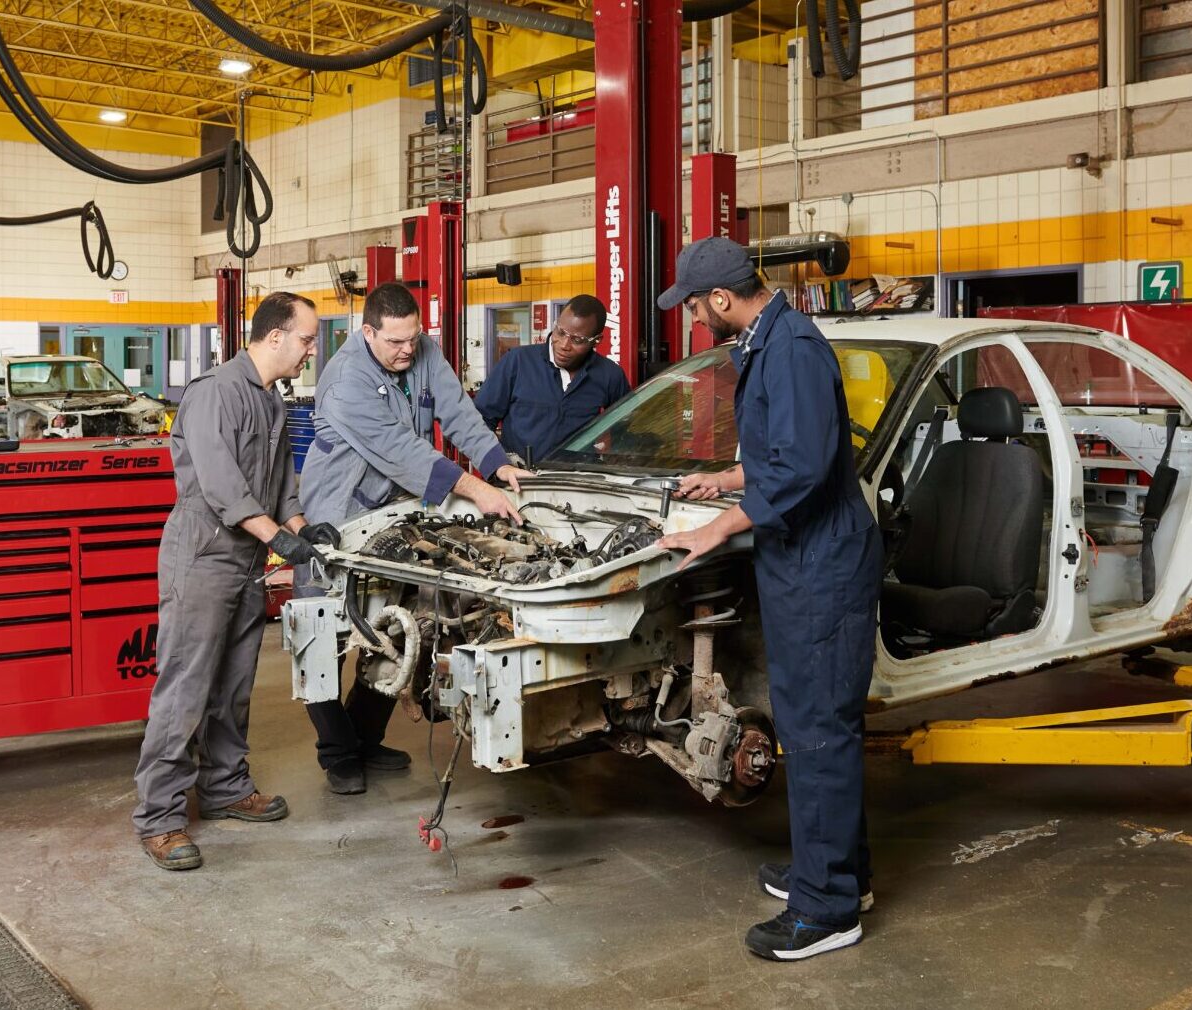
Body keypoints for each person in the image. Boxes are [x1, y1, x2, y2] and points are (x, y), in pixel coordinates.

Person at [654, 237, 882, 961]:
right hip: (799, 558)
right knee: (810, 725)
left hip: (822, 564)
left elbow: (804, 469)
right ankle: (837, 873)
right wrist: (726, 481)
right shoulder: (768, 340)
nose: (694, 318)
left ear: (721, 298)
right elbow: (784, 451)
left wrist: (718, 526)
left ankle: (827, 910)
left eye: (695, 306)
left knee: (818, 731)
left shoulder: (791, 349)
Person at [297, 281, 531, 795]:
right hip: (338, 514)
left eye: (413, 338)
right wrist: (476, 488)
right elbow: (401, 449)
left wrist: (497, 465)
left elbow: (458, 410)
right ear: (368, 333)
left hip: (397, 513)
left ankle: (364, 738)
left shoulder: (421, 350)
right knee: (323, 633)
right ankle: (338, 753)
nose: (408, 350)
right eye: (395, 342)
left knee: (397, 626)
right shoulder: (345, 380)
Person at [132, 291, 336, 871]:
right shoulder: (215, 392)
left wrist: (303, 528)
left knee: (234, 683)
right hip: (203, 554)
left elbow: (281, 482)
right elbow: (221, 484)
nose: (310, 350)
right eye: (306, 339)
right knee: (187, 686)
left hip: (247, 559)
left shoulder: (272, 401)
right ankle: (160, 818)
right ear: (275, 336)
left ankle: (224, 786)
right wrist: (277, 537)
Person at [473, 294, 631, 464]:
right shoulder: (517, 362)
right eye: (560, 332)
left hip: (579, 477)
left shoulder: (609, 375)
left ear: (596, 340)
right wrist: (499, 463)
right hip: (519, 476)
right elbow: (480, 420)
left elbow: (626, 427)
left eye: (577, 340)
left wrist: (609, 456)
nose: (564, 345)